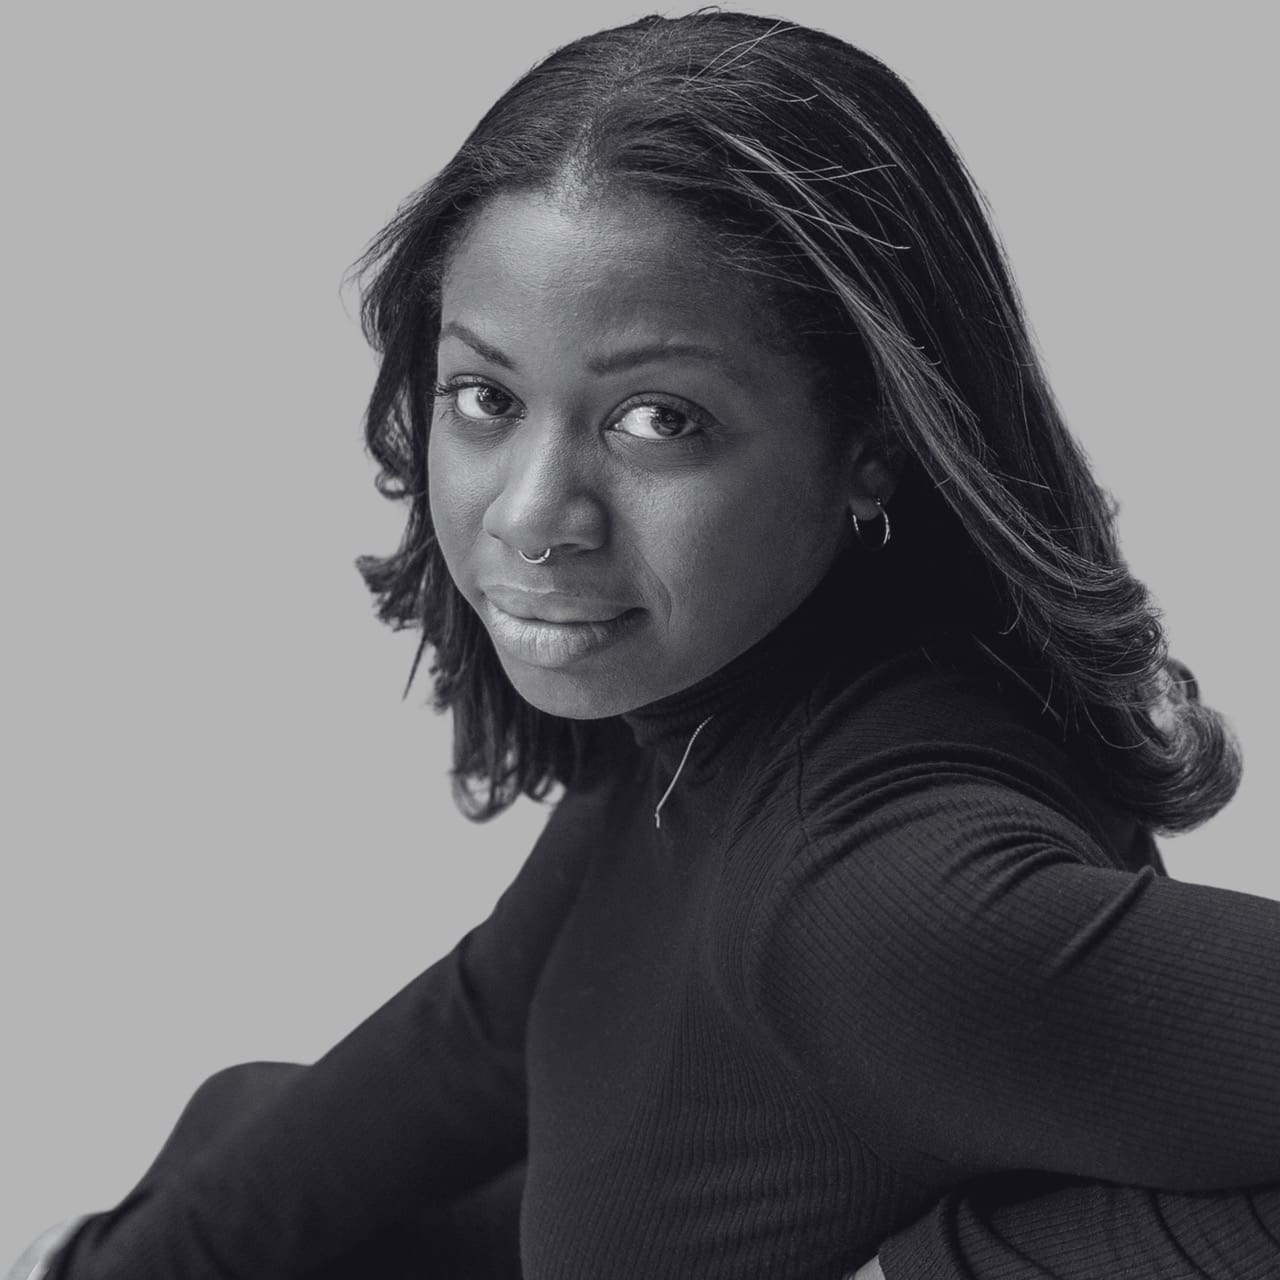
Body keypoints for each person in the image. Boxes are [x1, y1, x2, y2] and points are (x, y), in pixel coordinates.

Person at [12, 10, 1278, 1279]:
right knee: (242, 1119)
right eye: (484, 399)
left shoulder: (873, 905)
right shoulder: (731, 699)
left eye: (656, 418)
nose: (527, 515)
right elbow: (485, 1023)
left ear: (871, 442)